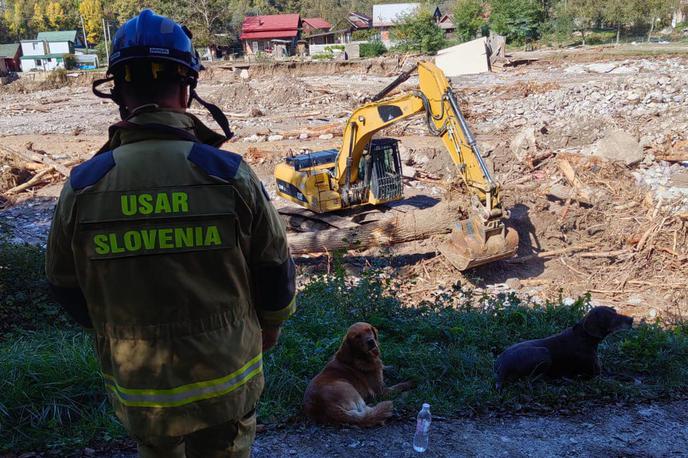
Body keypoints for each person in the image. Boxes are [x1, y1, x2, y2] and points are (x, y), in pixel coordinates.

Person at [45, 9, 296, 458]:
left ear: (119, 92)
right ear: (187, 88)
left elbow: (65, 287)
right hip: (227, 382)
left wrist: (113, 329)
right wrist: (270, 328)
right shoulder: (228, 174)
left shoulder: (84, 186)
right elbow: (275, 271)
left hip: (142, 390)